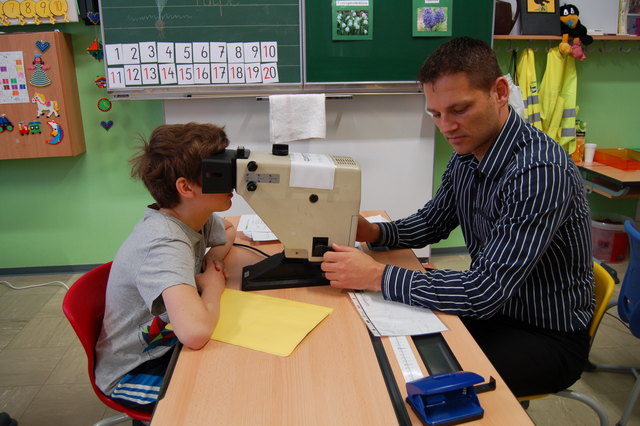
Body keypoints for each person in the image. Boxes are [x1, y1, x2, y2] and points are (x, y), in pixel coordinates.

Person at [321, 37, 594, 397]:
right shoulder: (468, 153)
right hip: (494, 309)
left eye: (459, 110)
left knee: (409, 385)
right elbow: (432, 222)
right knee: (381, 346)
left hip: (545, 335)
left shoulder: (538, 171)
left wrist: (377, 275)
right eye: (436, 114)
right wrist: (373, 231)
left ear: (499, 93)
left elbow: (484, 291)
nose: (446, 126)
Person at [94, 123, 236, 411]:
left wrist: (214, 260)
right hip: (137, 368)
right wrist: (212, 287)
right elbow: (195, 333)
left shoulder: (192, 215)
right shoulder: (163, 242)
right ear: (186, 187)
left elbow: (230, 230)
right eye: (220, 172)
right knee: (225, 399)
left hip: (172, 340)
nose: (233, 181)